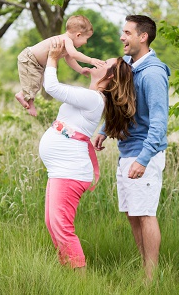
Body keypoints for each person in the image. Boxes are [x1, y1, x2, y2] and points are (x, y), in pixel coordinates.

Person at [39, 37, 136, 270]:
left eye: (106, 63)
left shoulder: (93, 99)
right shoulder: (91, 96)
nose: (99, 62)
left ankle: (80, 280)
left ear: (110, 77)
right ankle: (68, 270)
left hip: (69, 171)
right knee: (52, 223)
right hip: (62, 169)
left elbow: (51, 88)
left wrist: (52, 58)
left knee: (61, 225)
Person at [92, 15, 170, 281]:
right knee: (132, 214)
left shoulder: (153, 74)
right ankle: (143, 268)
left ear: (143, 37)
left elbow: (159, 123)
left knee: (145, 214)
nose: (122, 37)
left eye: (127, 32)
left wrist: (144, 159)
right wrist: (104, 131)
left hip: (144, 153)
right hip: (127, 151)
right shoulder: (128, 65)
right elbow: (119, 99)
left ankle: (151, 278)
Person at [15, 14, 104, 116]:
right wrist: (91, 60)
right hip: (29, 58)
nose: (85, 42)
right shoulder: (66, 40)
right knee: (34, 82)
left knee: (38, 83)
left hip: (37, 63)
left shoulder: (67, 43)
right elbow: (74, 54)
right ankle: (26, 100)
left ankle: (23, 94)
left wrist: (80, 69)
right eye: (86, 39)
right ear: (78, 35)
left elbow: (69, 59)